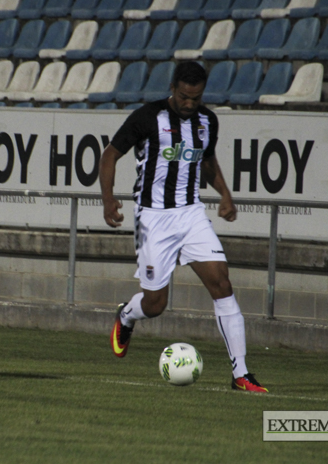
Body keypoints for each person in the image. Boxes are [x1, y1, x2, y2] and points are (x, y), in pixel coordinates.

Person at [99, 61, 268, 393]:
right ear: (173, 88)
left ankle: (241, 374)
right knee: (156, 304)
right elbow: (109, 155)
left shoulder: (207, 121)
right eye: (185, 97)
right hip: (152, 218)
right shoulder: (147, 117)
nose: (190, 104)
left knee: (221, 281)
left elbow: (206, 161)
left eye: (197, 97)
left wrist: (225, 195)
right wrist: (108, 199)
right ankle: (127, 316)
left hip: (191, 214)